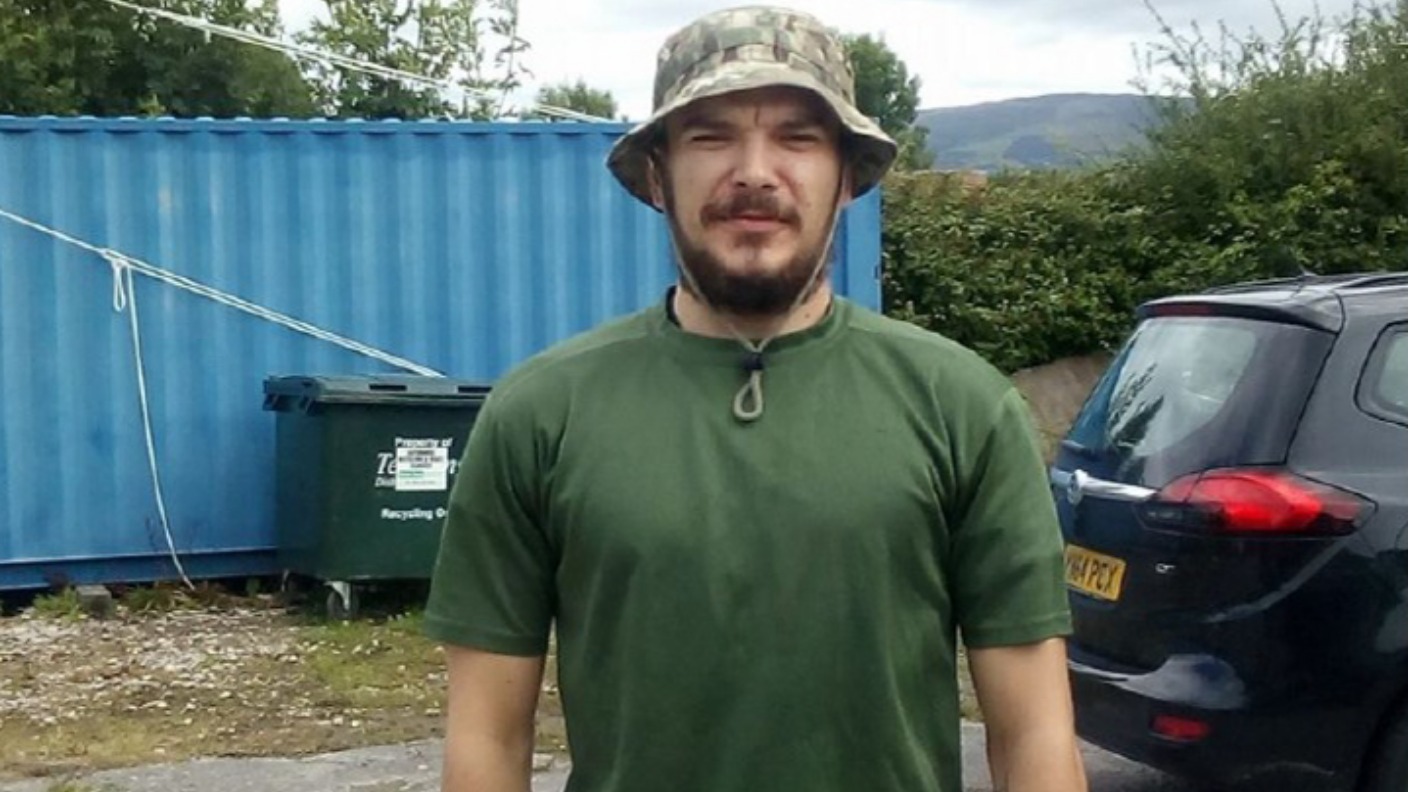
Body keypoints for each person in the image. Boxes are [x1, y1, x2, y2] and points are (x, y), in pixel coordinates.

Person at [422, 6, 1088, 792]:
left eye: (797, 138)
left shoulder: (964, 409)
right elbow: (487, 739)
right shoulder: (539, 414)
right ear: (657, 175)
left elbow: (1036, 736)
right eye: (711, 137)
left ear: (846, 176)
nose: (754, 172)